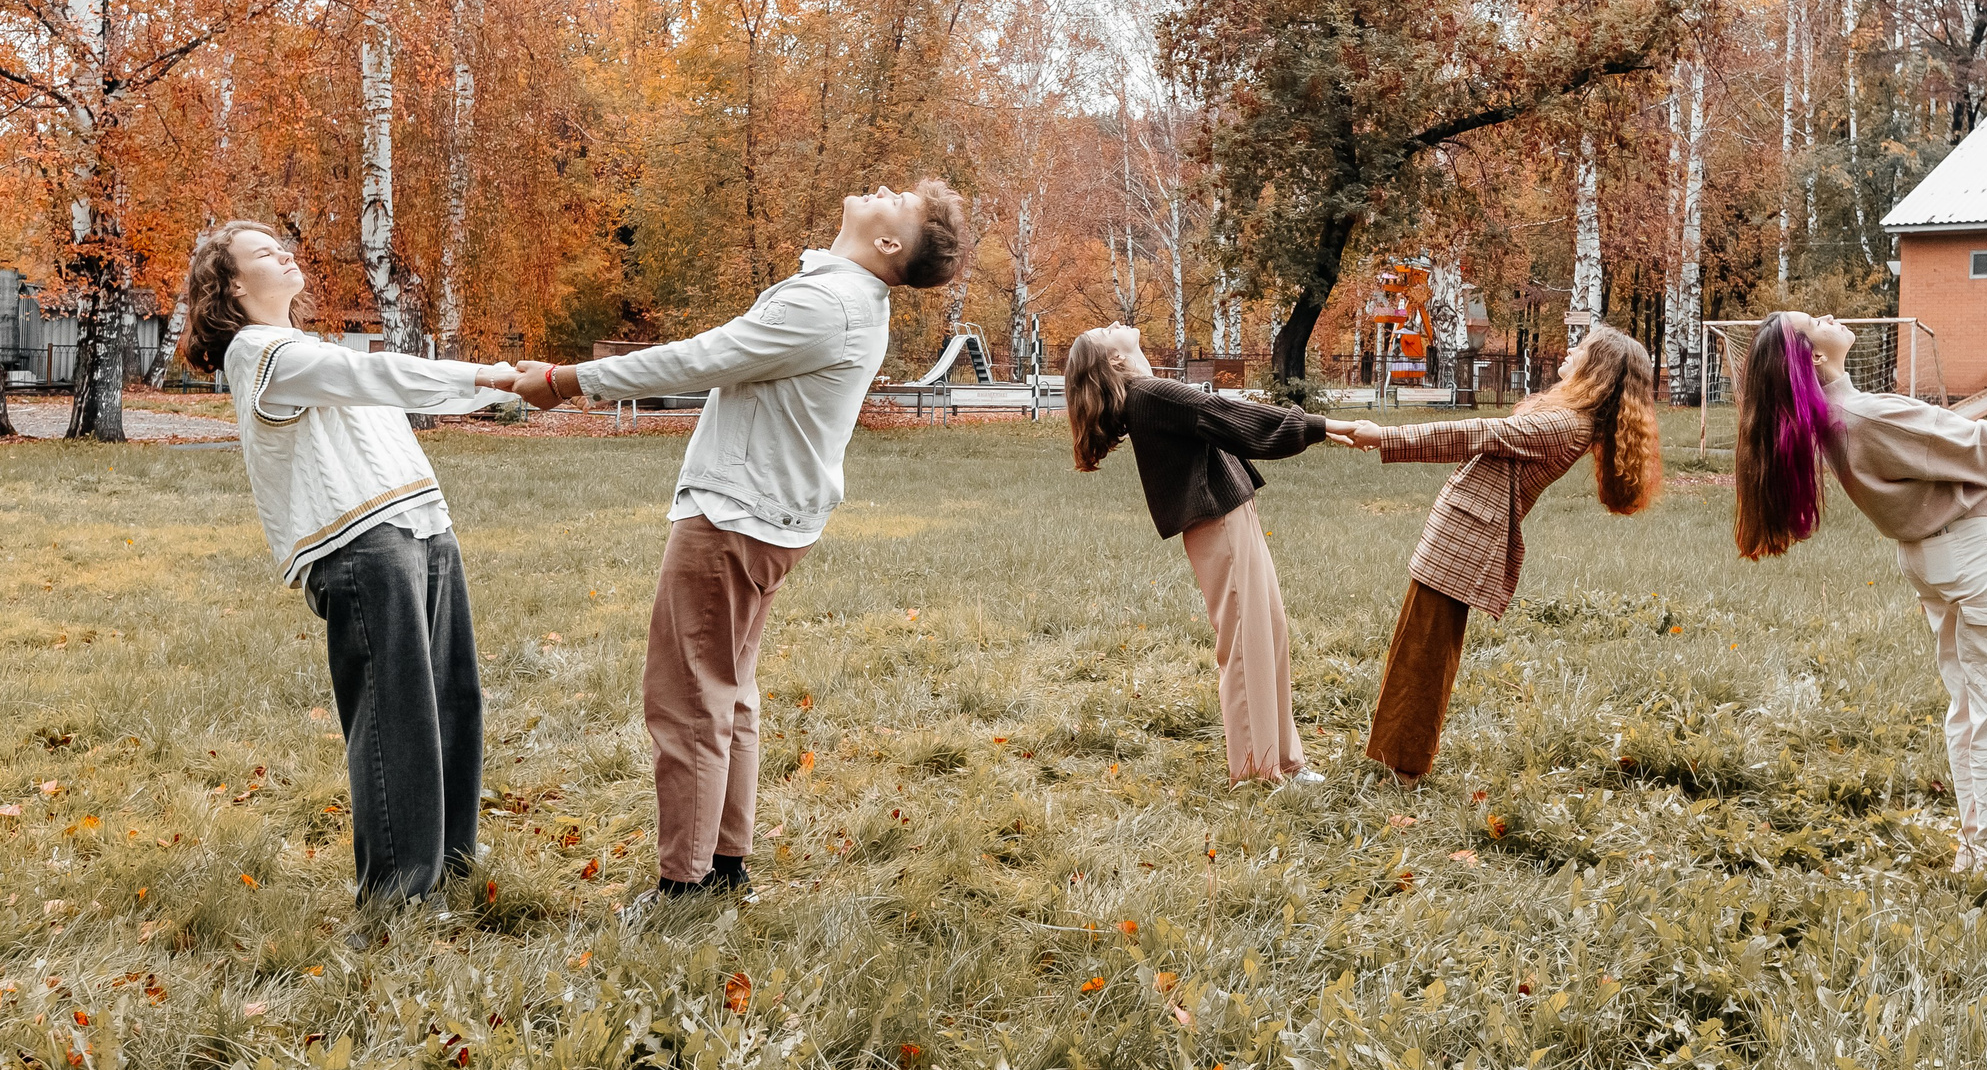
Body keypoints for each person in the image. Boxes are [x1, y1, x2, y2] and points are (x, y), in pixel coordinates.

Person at [507, 181, 969, 915]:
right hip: (764, 519)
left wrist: (566, 381)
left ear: (889, 245)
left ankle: (683, 887)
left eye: (901, 200)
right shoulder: (841, 295)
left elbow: (696, 361)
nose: (884, 188)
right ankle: (721, 868)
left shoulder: (827, 304)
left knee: (689, 700)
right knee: (727, 694)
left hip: (732, 521)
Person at [181, 220, 515, 906]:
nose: (285, 252)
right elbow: (379, 373)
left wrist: (500, 391)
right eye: (263, 251)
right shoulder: (258, 352)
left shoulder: (303, 346)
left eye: (282, 243)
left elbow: (388, 394)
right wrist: (495, 379)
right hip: (363, 546)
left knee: (453, 702)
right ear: (233, 285)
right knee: (399, 719)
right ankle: (397, 898)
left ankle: (448, 870)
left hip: (421, 527)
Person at [1730, 311, 1987, 870]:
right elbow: (1980, 444)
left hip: (1931, 559)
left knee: (1972, 701)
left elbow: (1947, 441)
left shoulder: (1840, 419)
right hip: (1968, 554)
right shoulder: (1865, 413)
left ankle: (1981, 844)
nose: (1829, 316)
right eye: (1814, 320)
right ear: (1814, 357)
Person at [1332, 323, 1661, 784]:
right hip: (1463, 535)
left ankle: (1404, 769)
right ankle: (1396, 761)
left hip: (1467, 541)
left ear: (1596, 369)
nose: (1570, 349)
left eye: (1581, 348)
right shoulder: (1568, 419)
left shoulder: (1563, 425)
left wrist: (1386, 436)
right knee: (1418, 648)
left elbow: (1477, 431)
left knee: (1425, 655)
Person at [1063, 324, 1332, 786]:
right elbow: (1227, 413)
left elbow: (1216, 419)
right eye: (1104, 331)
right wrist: (1324, 426)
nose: (1113, 323)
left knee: (1269, 632)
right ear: (1114, 361)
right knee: (1247, 645)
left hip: (1232, 518)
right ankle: (1254, 772)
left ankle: (1286, 760)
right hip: (1220, 526)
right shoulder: (1151, 393)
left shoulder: (1147, 395)